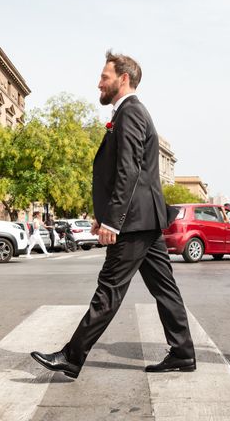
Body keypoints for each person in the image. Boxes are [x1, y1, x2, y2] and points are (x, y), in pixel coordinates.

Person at [30, 51, 195, 378]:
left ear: (123, 79)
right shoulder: (130, 112)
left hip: (134, 222)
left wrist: (112, 221)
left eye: (104, 77)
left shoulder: (130, 112)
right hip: (145, 218)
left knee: (109, 288)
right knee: (165, 289)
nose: (98, 83)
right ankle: (183, 353)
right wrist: (104, 214)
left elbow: (128, 171)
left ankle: (72, 356)